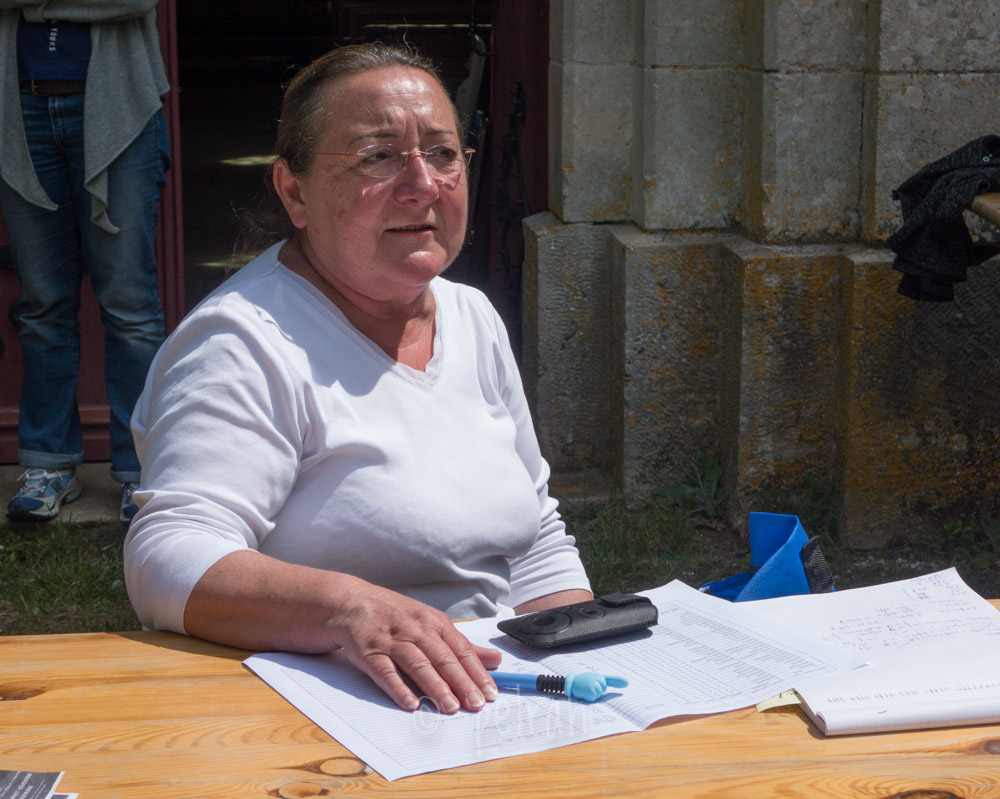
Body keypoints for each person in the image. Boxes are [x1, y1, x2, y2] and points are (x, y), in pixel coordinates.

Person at [124, 43, 593, 715]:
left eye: (443, 153)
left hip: (497, 701)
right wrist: (348, 609)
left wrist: (581, 659)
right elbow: (168, 558)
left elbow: (536, 535)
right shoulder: (242, 343)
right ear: (295, 191)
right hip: (326, 718)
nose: (423, 184)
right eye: (378, 156)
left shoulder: (472, 316)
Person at [0, 1, 170, 523]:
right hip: (21, 109)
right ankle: (48, 464)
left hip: (120, 110)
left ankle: (141, 469)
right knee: (42, 305)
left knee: (129, 306)